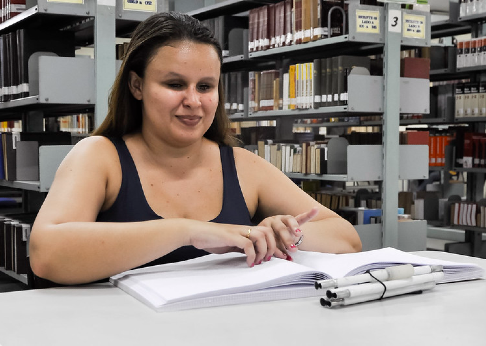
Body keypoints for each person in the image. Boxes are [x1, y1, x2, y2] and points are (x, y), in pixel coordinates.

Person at [29, 12, 361, 286]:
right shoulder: (99, 156)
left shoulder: (243, 165)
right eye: (174, 85)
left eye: (206, 86)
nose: (193, 101)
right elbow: (47, 254)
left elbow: (346, 240)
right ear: (136, 86)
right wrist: (189, 231)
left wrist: (287, 235)